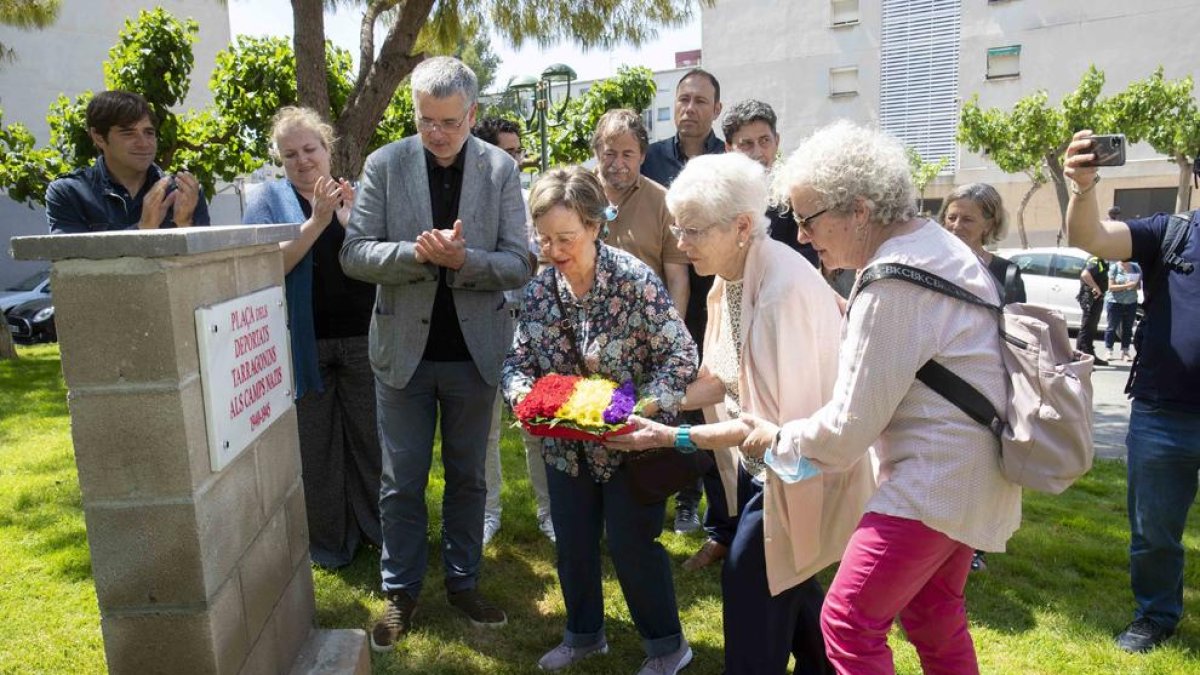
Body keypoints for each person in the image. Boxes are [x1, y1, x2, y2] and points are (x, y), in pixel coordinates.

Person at [769, 121, 1022, 673]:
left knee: (847, 622)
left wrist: (777, 440)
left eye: (808, 219)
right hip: (976, 473)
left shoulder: (893, 280)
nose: (803, 236)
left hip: (934, 483)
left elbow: (846, 434)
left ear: (859, 211)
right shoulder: (937, 246)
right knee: (934, 614)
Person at [607, 153, 873, 674]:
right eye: (677, 227)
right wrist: (647, 402)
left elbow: (764, 432)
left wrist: (667, 437)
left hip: (790, 472)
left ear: (743, 226)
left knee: (750, 585)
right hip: (766, 470)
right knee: (786, 584)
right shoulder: (730, 274)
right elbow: (721, 379)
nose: (681, 243)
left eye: (692, 230)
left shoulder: (779, 292)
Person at [340, 57, 533, 651]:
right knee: (401, 481)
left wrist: (464, 261)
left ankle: (463, 582)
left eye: (450, 122)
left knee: (469, 478)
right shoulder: (385, 164)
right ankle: (400, 592)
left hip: (474, 354)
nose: (438, 133)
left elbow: (520, 262)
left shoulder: (500, 169)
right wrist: (416, 254)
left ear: (472, 114)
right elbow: (354, 253)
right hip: (403, 354)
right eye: (426, 120)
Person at [502, 166, 698, 674]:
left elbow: (680, 357)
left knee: (632, 546)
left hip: (630, 447)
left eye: (565, 238)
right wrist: (523, 397)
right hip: (565, 447)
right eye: (544, 239)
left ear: (595, 225)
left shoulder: (634, 281)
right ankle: (584, 636)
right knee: (573, 544)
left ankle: (668, 647)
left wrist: (640, 411)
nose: (553, 250)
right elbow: (517, 361)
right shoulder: (541, 290)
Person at [1065, 129, 1200, 654]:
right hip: (1164, 414)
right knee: (1154, 531)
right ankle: (1156, 614)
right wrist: (1083, 186)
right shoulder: (1172, 233)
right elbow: (1093, 238)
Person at [242, 106, 380, 568]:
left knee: (372, 441)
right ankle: (330, 542)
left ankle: (381, 533)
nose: (302, 160)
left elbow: (379, 263)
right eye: (290, 154)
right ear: (280, 160)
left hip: (363, 339)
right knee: (316, 449)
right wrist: (317, 222)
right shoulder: (267, 200)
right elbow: (268, 266)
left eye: (309, 149)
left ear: (327, 148)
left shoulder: (357, 194)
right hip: (304, 344)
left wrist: (350, 222)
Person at [642, 67, 728, 543]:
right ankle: (654, 490)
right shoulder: (651, 159)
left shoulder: (726, 161)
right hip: (663, 301)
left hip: (714, 299)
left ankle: (695, 501)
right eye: (683, 99)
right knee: (661, 397)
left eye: (700, 101)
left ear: (716, 109)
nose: (689, 108)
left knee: (705, 402)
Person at [471, 115, 553, 544]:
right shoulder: (469, 205)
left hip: (531, 323)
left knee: (538, 424)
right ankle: (488, 514)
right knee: (484, 430)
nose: (516, 160)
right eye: (508, 152)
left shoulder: (529, 201)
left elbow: (544, 258)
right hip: (485, 324)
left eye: (518, 152)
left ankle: (549, 514)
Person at [47, 90, 210, 234]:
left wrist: (185, 224)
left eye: (149, 133)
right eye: (128, 133)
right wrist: (143, 228)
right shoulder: (69, 193)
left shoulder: (183, 192)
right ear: (98, 137)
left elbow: (207, 258)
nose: (144, 143)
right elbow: (71, 257)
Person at [593, 109, 691, 314]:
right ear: (596, 153)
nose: (618, 164)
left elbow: (677, 279)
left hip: (645, 326)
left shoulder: (664, 203)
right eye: (610, 154)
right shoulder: (575, 196)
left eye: (627, 154)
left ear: (643, 156)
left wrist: (675, 330)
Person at [721, 98, 819, 268]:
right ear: (729, 149)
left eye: (764, 140)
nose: (757, 152)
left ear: (777, 141)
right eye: (746, 144)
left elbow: (807, 262)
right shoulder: (718, 199)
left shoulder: (795, 196)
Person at [939, 182, 1026, 304]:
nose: (956, 226)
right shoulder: (931, 265)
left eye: (967, 220)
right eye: (951, 218)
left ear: (988, 225)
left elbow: (1015, 314)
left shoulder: (1006, 273)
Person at [1104, 260, 1141, 362]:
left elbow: (1138, 286)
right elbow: (1111, 287)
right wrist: (1127, 285)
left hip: (1131, 302)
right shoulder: (1114, 267)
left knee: (1128, 328)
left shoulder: (1135, 268)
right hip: (1115, 302)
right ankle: (1109, 350)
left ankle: (1125, 351)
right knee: (1112, 327)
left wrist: (1135, 285)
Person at [1077, 254, 1110, 366]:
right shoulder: (1095, 259)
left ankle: (1084, 355)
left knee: (1090, 327)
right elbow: (1085, 274)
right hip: (1091, 298)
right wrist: (1096, 287)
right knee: (1088, 327)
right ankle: (1084, 356)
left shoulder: (1100, 260)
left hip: (1095, 298)